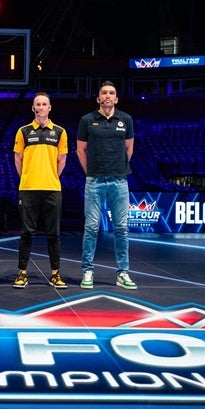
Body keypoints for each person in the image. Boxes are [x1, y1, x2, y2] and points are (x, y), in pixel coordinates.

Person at [76, 80, 137, 290]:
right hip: (94, 180)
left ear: (116, 98)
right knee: (91, 227)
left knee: (121, 228)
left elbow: (129, 148)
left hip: (120, 180)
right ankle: (88, 270)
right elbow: (80, 150)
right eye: (104, 93)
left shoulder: (126, 119)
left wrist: (118, 168)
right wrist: (91, 172)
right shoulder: (87, 120)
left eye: (112, 92)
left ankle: (122, 273)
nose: (108, 96)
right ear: (98, 98)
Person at [13, 92, 68, 289]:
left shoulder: (60, 132)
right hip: (28, 189)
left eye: (45, 104)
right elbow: (18, 158)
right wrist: (26, 177)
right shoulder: (23, 131)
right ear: (33, 108)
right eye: (38, 104)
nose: (41, 107)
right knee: (27, 232)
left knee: (54, 233)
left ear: (50, 107)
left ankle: (55, 274)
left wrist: (51, 176)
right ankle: (22, 273)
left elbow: (62, 160)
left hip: (52, 189)